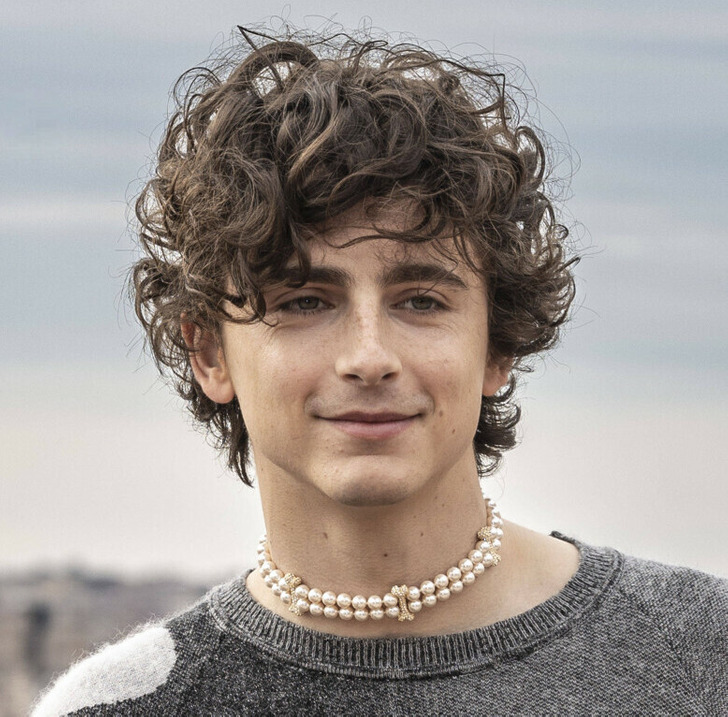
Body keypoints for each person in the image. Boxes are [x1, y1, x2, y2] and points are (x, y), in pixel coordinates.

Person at [34, 24, 727, 715]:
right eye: (305, 301)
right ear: (210, 353)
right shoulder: (118, 706)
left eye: (421, 301)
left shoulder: (701, 654)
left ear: (497, 346)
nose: (369, 357)